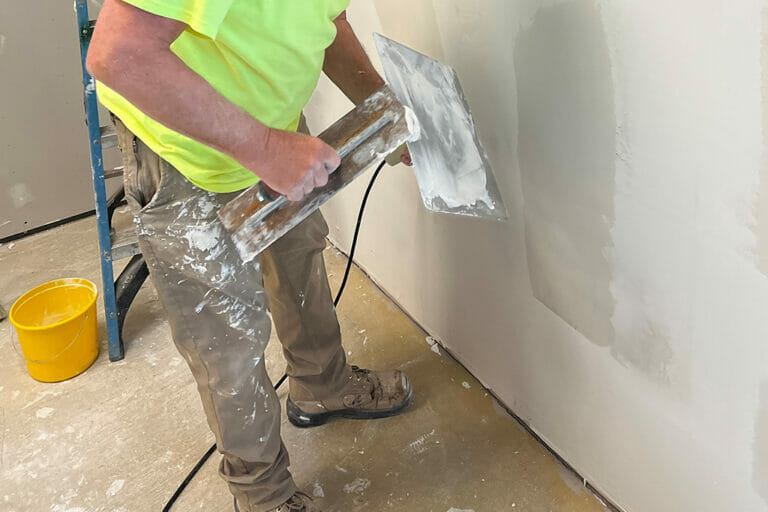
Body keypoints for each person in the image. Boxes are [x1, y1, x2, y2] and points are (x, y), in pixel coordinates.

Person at [86, 2, 413, 511]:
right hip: (185, 153)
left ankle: (321, 386)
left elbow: (327, 21)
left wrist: (383, 107)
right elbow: (119, 56)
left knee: (299, 258)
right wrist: (263, 147)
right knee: (227, 339)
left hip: (272, 128)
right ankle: (262, 493)